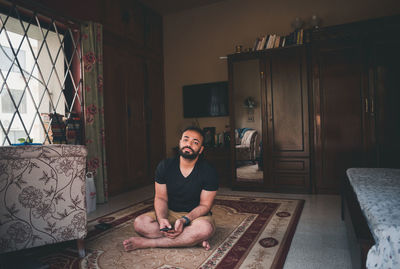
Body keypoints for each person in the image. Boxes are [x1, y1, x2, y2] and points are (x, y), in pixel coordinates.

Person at [123, 126, 219, 251]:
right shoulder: (165, 166)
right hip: (171, 213)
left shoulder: (209, 171)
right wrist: (162, 219)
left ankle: (148, 243)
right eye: (186, 140)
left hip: (197, 217)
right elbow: (161, 198)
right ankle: (191, 240)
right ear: (180, 142)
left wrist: (185, 220)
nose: (188, 144)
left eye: (195, 142)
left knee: (205, 229)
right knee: (140, 223)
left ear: (200, 150)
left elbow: (205, 206)